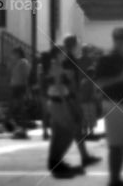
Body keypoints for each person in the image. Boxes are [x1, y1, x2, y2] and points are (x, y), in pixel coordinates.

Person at [95, 25, 123, 186]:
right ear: (114, 40)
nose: (121, 41)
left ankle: (117, 178)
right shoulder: (106, 58)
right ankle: (114, 180)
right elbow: (99, 83)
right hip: (114, 104)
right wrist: (120, 77)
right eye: (118, 38)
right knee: (115, 144)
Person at [61, 35, 101, 169]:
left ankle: (84, 156)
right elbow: (69, 80)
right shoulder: (68, 60)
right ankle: (83, 157)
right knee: (75, 127)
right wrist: (75, 97)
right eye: (78, 43)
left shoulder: (68, 59)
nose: (79, 46)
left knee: (76, 129)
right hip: (71, 98)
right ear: (73, 45)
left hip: (69, 97)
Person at [45, 46, 82, 179]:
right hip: (58, 102)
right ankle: (56, 160)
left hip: (56, 101)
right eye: (62, 52)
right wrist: (66, 105)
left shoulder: (56, 65)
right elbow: (59, 87)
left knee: (58, 133)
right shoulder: (56, 66)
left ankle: (55, 161)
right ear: (57, 54)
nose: (65, 54)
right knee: (69, 131)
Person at [7, 47, 31, 138]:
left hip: (20, 87)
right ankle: (19, 129)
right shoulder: (17, 63)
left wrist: (27, 90)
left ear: (18, 53)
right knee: (15, 108)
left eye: (13, 53)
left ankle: (23, 130)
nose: (12, 55)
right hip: (15, 87)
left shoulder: (23, 62)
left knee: (21, 108)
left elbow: (26, 75)